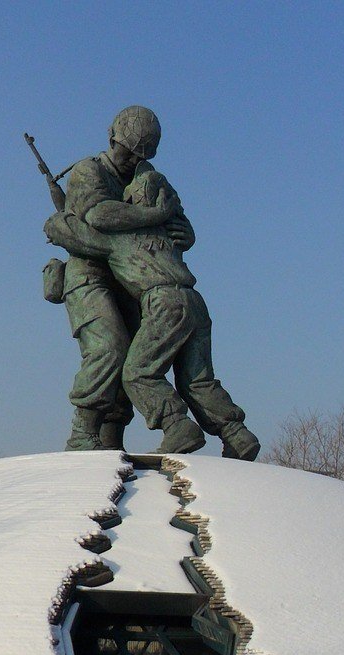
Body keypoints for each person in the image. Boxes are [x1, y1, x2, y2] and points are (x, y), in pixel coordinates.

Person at [45, 164, 260, 460]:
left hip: (164, 305)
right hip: (194, 302)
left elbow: (84, 231)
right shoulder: (168, 235)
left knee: (137, 374)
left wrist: (57, 223)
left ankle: (176, 426)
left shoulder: (121, 238)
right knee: (198, 379)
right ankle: (236, 434)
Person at [54, 106, 193, 451]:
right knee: (108, 346)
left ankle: (110, 437)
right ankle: (83, 433)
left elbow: (179, 221)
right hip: (88, 273)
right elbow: (99, 214)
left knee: (134, 355)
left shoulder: (146, 176)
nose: (131, 159)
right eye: (127, 150)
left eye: (139, 153)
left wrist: (181, 231)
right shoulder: (88, 171)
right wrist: (153, 215)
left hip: (131, 277)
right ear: (111, 137)